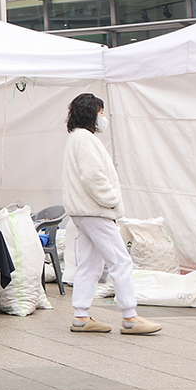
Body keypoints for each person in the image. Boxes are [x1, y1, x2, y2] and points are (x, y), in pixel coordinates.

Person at [62, 92, 161, 336]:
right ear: (91, 113)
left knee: (90, 264)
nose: (103, 117)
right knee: (120, 261)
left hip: (84, 213)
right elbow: (93, 176)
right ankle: (130, 316)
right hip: (96, 211)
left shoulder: (77, 138)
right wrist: (113, 200)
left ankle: (81, 315)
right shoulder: (85, 139)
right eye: (101, 111)